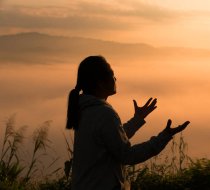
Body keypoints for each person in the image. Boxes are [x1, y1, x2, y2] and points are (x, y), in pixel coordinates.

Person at [66, 55, 190, 190]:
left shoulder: (85, 109)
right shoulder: (104, 113)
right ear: (100, 83)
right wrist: (163, 137)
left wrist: (137, 119)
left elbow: (111, 139)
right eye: (112, 75)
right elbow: (127, 155)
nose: (115, 79)